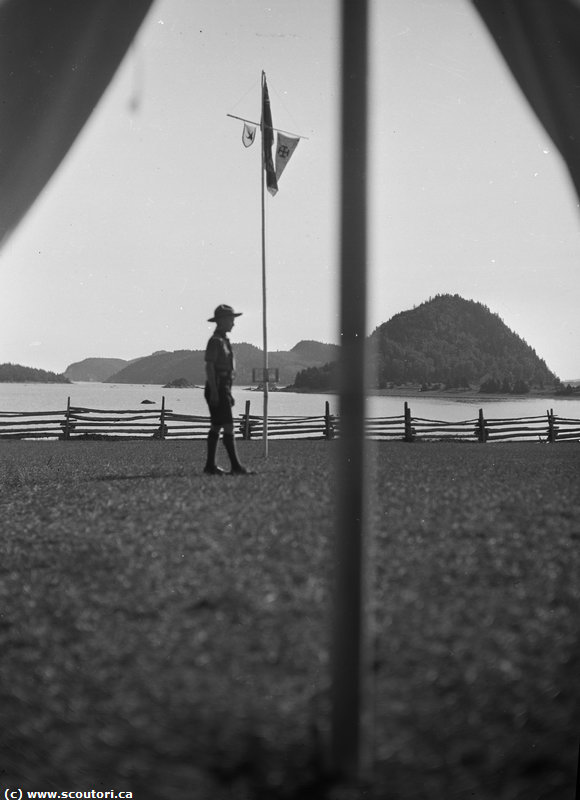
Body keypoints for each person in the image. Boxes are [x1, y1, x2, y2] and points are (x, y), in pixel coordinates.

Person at [203, 304, 254, 475]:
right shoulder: (215, 341)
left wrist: (228, 392)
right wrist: (215, 391)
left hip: (223, 386)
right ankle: (236, 467)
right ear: (222, 321)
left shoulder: (224, 341)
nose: (233, 323)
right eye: (231, 320)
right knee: (228, 425)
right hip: (217, 386)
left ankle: (210, 466)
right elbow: (210, 367)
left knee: (217, 425)